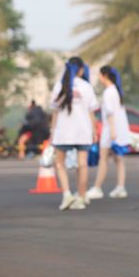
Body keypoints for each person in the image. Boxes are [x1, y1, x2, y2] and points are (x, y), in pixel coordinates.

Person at [50, 57, 98, 211]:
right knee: (82, 164)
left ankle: (67, 194)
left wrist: (52, 132)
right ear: (81, 69)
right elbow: (91, 112)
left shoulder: (60, 85)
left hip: (63, 132)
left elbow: (55, 112)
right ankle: (81, 197)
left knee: (59, 163)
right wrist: (94, 131)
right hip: (83, 131)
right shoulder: (86, 86)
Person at [87, 66, 130, 200]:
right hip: (116, 130)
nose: (99, 78)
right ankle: (120, 187)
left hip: (110, 131)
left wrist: (112, 131)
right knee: (118, 159)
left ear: (105, 76)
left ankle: (97, 188)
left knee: (103, 159)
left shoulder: (109, 92)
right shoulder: (115, 91)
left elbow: (110, 113)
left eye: (99, 75)